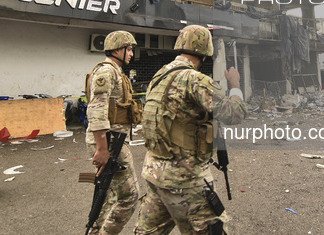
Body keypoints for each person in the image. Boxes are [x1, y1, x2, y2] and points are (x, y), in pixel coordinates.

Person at [134, 25, 247, 235]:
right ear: (206, 51)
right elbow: (234, 113)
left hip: (154, 172)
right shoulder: (195, 80)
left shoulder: (158, 76)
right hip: (184, 179)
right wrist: (235, 85)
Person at [85, 30, 141, 234]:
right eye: (130, 49)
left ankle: (95, 230)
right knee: (130, 197)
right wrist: (102, 149)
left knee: (106, 192)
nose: (131, 54)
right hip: (109, 142)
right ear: (118, 48)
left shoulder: (116, 71)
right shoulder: (106, 72)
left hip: (113, 140)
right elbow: (96, 108)